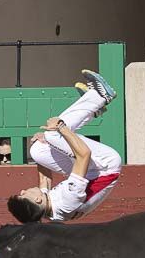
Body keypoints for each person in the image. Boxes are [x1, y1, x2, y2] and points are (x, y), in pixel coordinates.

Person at [7, 70, 121, 224]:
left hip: (90, 171)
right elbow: (84, 155)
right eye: (22, 195)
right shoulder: (68, 201)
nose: (22, 191)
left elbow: (44, 179)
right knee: (53, 134)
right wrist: (60, 127)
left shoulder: (45, 207)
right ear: (37, 199)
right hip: (106, 166)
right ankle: (100, 97)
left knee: (37, 150)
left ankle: (93, 108)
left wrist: (41, 142)